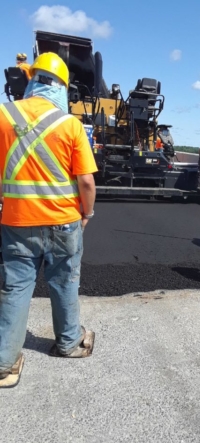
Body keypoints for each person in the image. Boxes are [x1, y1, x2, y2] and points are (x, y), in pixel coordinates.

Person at [0, 52, 98, 388]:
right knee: (64, 282)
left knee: (14, 288)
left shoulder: (2, 115)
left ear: (32, 82)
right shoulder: (69, 124)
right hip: (63, 223)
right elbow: (86, 182)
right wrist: (88, 213)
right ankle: (68, 344)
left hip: (15, 222)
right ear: (61, 88)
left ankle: (5, 365)